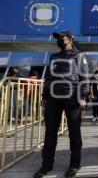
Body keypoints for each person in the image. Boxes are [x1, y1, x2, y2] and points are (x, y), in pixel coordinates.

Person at [34, 30, 89, 178]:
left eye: (62, 37)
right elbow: (49, 77)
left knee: (74, 134)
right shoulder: (54, 57)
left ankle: (75, 165)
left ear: (71, 39)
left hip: (72, 98)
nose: (60, 39)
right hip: (53, 98)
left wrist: (83, 96)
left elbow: (84, 78)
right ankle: (46, 166)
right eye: (58, 38)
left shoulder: (79, 56)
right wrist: (44, 96)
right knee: (50, 133)